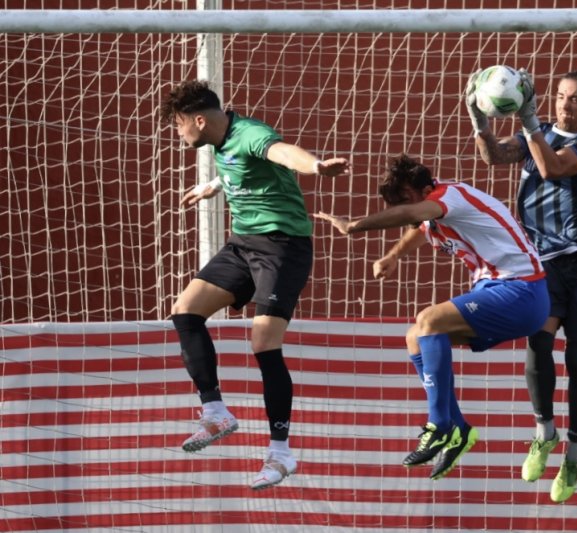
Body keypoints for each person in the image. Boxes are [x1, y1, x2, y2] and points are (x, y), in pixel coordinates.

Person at [159, 80, 350, 490]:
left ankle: (281, 454)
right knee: (185, 311)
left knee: (263, 342)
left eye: (178, 126)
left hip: (283, 246)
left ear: (198, 120)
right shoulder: (219, 138)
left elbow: (279, 152)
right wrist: (211, 187)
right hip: (244, 245)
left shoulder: (252, 133)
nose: (178, 134)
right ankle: (215, 412)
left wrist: (315, 166)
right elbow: (240, 167)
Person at [314, 154, 549, 480]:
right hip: (503, 292)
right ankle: (459, 429)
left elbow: (413, 214)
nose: (400, 205)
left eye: (404, 198)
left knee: (428, 319)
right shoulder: (432, 210)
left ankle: (439, 426)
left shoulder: (448, 197)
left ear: (425, 189)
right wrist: (391, 256)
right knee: (416, 336)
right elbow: (418, 225)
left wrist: (353, 226)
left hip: (522, 292)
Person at [466, 69, 577, 502]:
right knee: (538, 343)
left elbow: (552, 169)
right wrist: (478, 119)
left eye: (575, 99)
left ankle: (575, 450)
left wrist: (531, 125)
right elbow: (494, 156)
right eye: (561, 97)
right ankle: (543, 431)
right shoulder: (536, 132)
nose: (566, 105)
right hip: (542, 261)